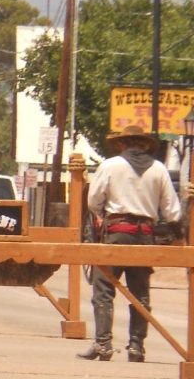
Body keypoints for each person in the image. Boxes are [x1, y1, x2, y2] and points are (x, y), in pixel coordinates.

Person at [77, 125, 181, 362]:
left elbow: (94, 201)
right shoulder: (159, 169)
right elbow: (172, 211)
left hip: (115, 231)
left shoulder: (111, 166)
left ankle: (103, 344)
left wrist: (104, 213)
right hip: (144, 234)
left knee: (103, 289)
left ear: (123, 144)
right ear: (144, 145)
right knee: (140, 293)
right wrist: (178, 232)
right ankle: (136, 347)